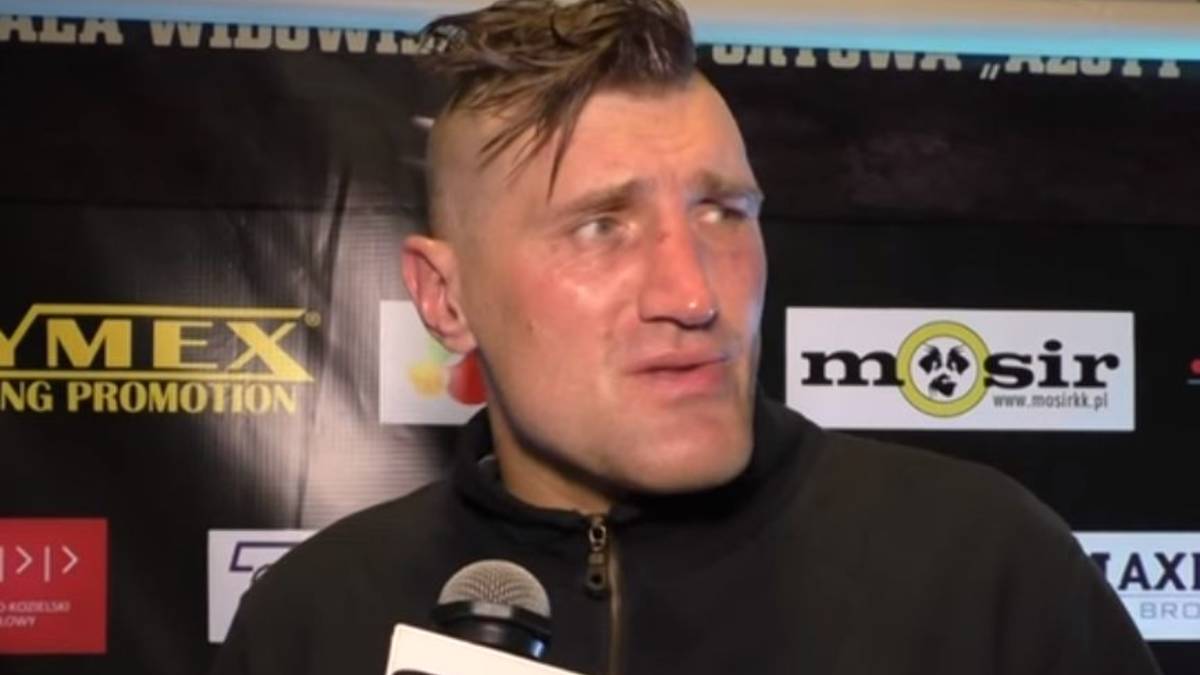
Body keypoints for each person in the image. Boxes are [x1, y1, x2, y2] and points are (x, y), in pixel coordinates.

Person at [213, 1, 1162, 673]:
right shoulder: (314, 622)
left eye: (722, 213)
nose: (694, 292)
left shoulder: (988, 574)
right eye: (601, 226)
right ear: (445, 298)